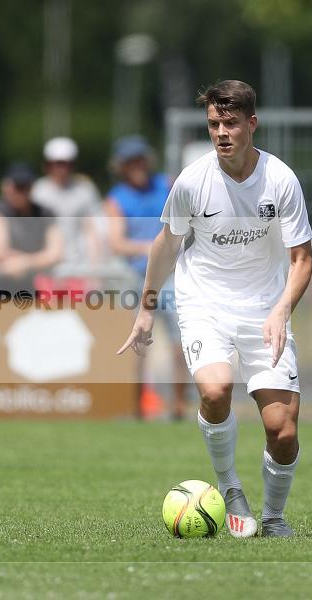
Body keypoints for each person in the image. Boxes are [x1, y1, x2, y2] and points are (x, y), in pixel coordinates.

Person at [117, 81, 312, 538]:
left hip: (266, 309)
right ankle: (230, 487)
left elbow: (302, 260)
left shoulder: (281, 180)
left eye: (230, 123)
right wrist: (146, 309)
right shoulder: (192, 181)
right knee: (216, 388)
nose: (221, 133)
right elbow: (166, 244)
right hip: (204, 302)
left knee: (282, 430)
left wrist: (282, 310)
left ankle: (274, 517)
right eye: (213, 124)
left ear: (251, 123)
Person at [106, 135, 188, 421]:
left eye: (140, 160)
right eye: (131, 162)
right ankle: (137, 407)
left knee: (181, 341)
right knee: (138, 344)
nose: (137, 166)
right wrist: (150, 249)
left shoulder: (166, 185)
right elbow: (117, 243)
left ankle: (179, 405)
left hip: (171, 276)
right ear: (122, 166)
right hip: (138, 278)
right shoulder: (116, 198)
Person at [31, 137, 103, 288]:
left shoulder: (85, 190)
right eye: (57, 164)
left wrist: (95, 271)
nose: (62, 169)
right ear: (48, 165)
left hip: (78, 270)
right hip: (45, 271)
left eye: (67, 164)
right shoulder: (37, 192)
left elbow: (92, 231)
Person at [0, 162, 64, 294]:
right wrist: (39, 259)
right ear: (5, 187)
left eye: (25, 186)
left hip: (29, 288)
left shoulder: (45, 213)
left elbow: (56, 254)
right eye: (17, 186)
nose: (21, 192)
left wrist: (25, 262)